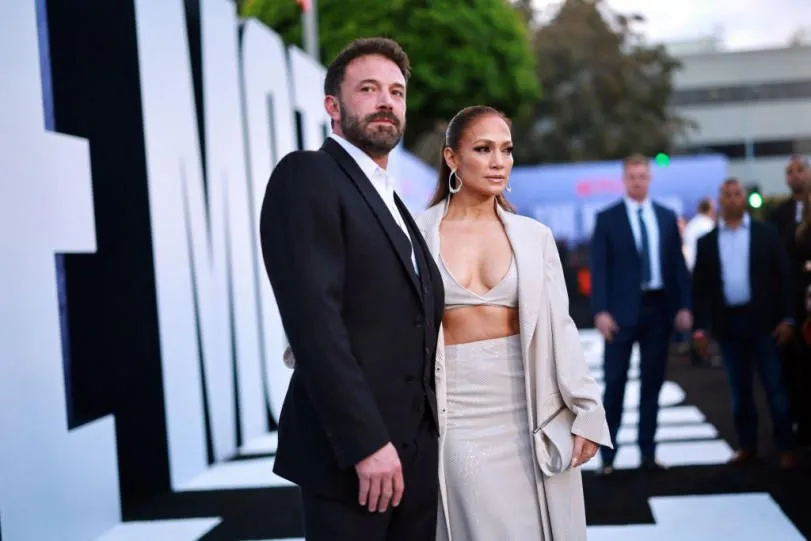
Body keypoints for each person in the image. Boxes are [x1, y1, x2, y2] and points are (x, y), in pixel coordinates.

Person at [259, 38, 445, 541]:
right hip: (353, 460)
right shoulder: (308, 175)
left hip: (415, 458)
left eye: (397, 92)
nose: (387, 101)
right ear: (333, 107)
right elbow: (315, 325)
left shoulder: (395, 202)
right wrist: (366, 444)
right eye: (368, 89)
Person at [415, 105, 611, 541]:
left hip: (532, 413)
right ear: (451, 158)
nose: (499, 161)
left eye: (506, 150)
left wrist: (587, 409)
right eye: (483, 149)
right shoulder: (416, 234)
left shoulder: (533, 236)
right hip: (457, 420)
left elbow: (560, 328)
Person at [589, 154, 693, 475]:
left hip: (658, 311)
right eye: (632, 176)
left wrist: (685, 306)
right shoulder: (608, 219)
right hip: (619, 315)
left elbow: (677, 265)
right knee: (615, 385)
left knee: (653, 384)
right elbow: (599, 268)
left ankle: (648, 453)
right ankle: (608, 457)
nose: (637, 180)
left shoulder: (665, 216)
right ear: (624, 179)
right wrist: (600, 311)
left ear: (650, 178)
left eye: (642, 175)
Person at [692, 178, 798, 469]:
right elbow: (700, 288)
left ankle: (786, 446)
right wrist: (699, 327)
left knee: (776, 388)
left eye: (737, 194)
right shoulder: (707, 242)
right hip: (728, 325)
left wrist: (789, 318)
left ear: (744, 198)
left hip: (765, 323)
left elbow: (786, 278)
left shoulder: (766, 234)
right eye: (726, 195)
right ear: (719, 200)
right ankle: (748, 447)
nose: (732, 199)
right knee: (739, 393)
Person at [769, 155, 811, 446]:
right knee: (795, 370)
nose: (795, 176)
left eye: (800, 170)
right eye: (790, 172)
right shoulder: (778, 215)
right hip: (792, 304)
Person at [682, 197, 716, 272]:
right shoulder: (708, 225)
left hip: (690, 266)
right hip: (704, 268)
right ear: (710, 210)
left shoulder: (690, 225)